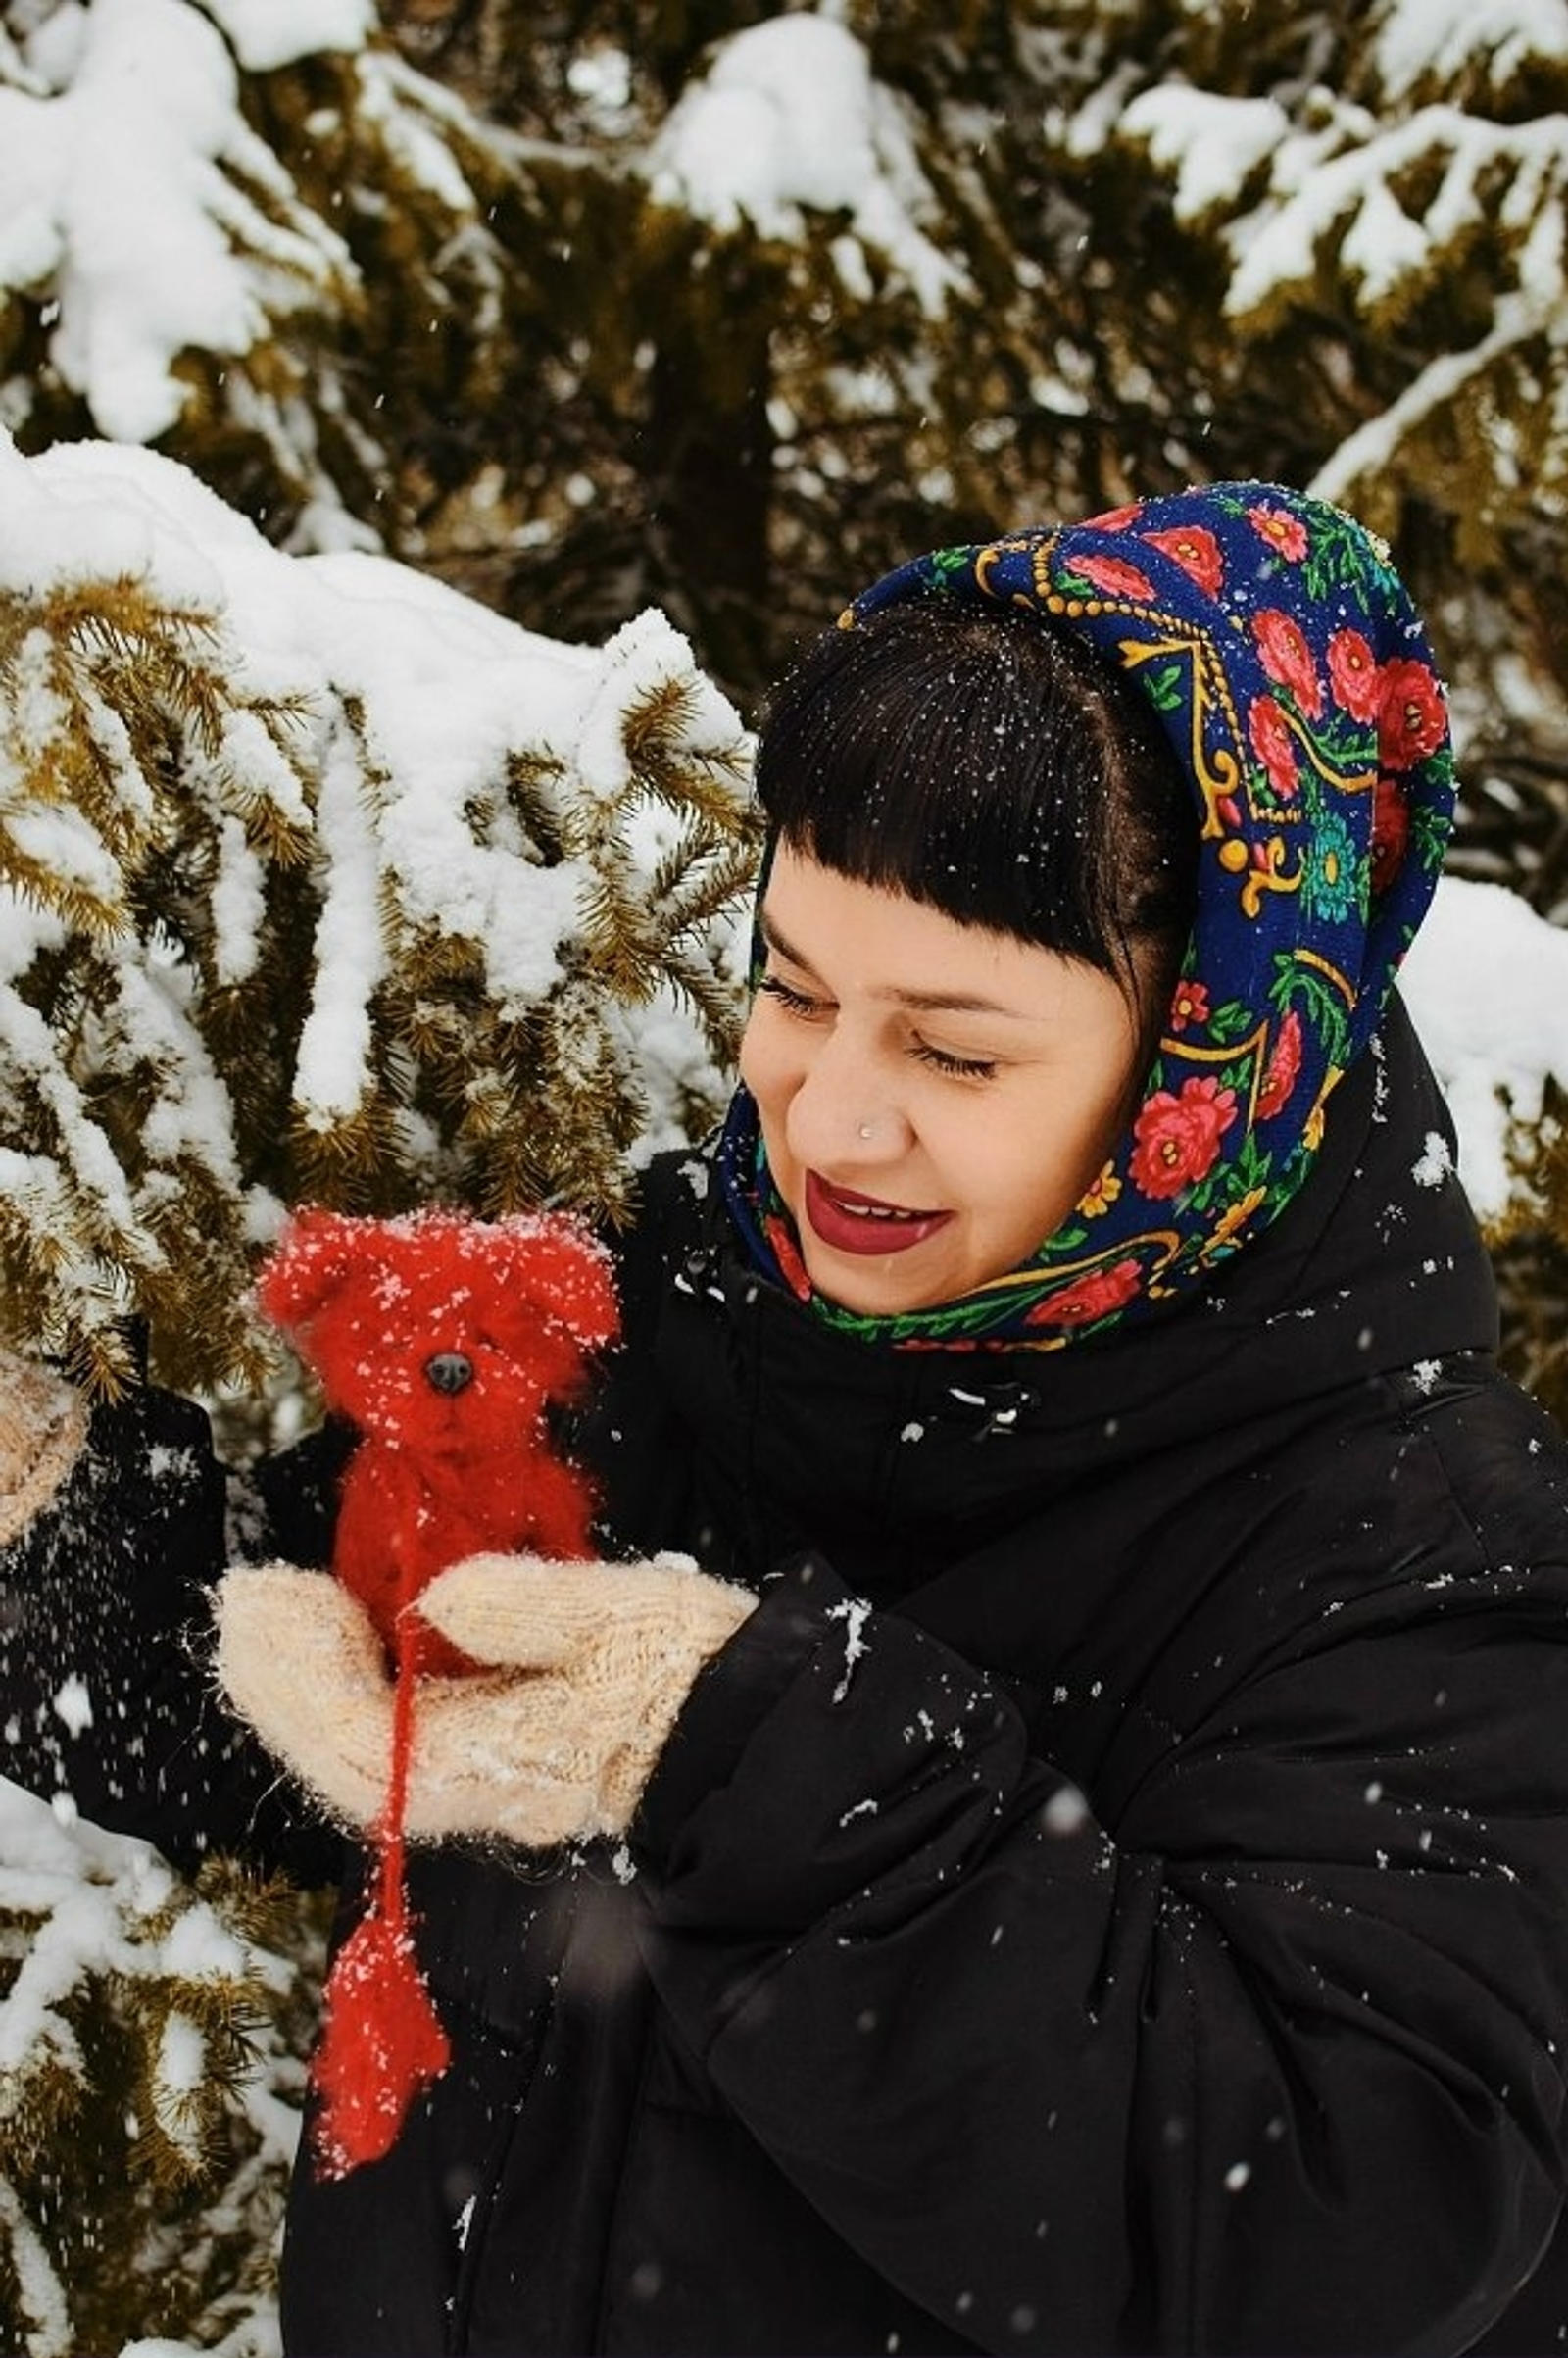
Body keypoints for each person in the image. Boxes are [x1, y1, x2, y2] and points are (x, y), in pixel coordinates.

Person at [5, 479, 1568, 2357]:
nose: (827, 1116)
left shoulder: (1420, 1558)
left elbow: (1335, 2223)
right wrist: (49, 1522)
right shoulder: (694, 1314)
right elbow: (307, 1672)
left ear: (1206, 1063)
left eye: (956, 1048)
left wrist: (740, 1749)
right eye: (794, 986)